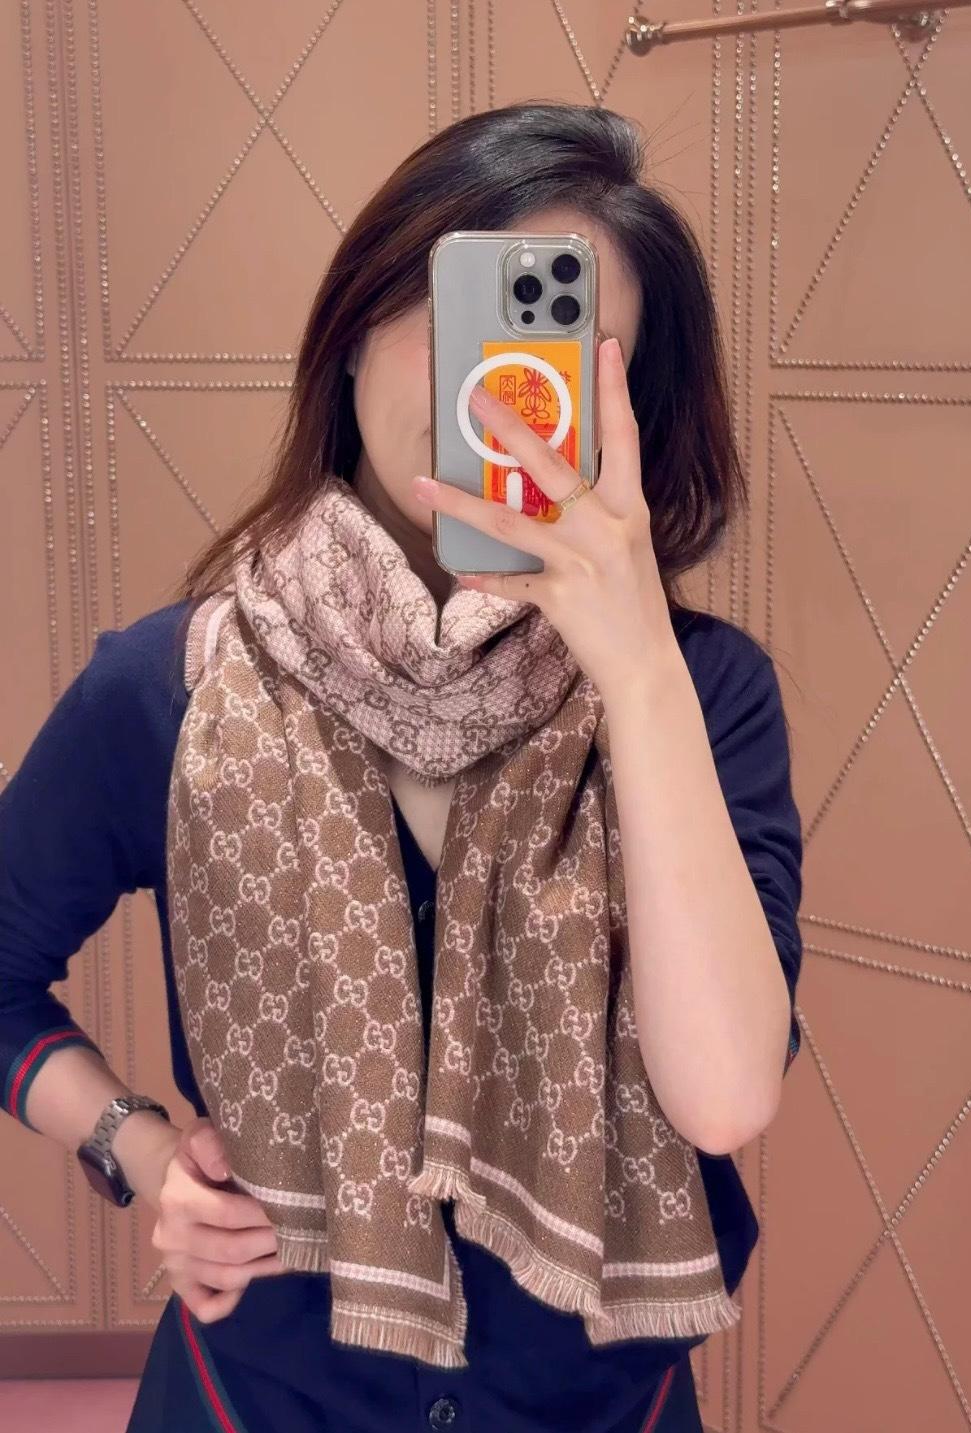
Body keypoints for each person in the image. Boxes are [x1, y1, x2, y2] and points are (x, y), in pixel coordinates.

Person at [0, 100, 803, 1433]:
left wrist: (639, 670)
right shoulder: (177, 687)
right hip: (261, 1397)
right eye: (463, 310)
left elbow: (723, 1097)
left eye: (556, 343)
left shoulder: (703, 696)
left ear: (629, 407)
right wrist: (134, 1144)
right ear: (358, 322)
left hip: (596, 1409)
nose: (493, 390)